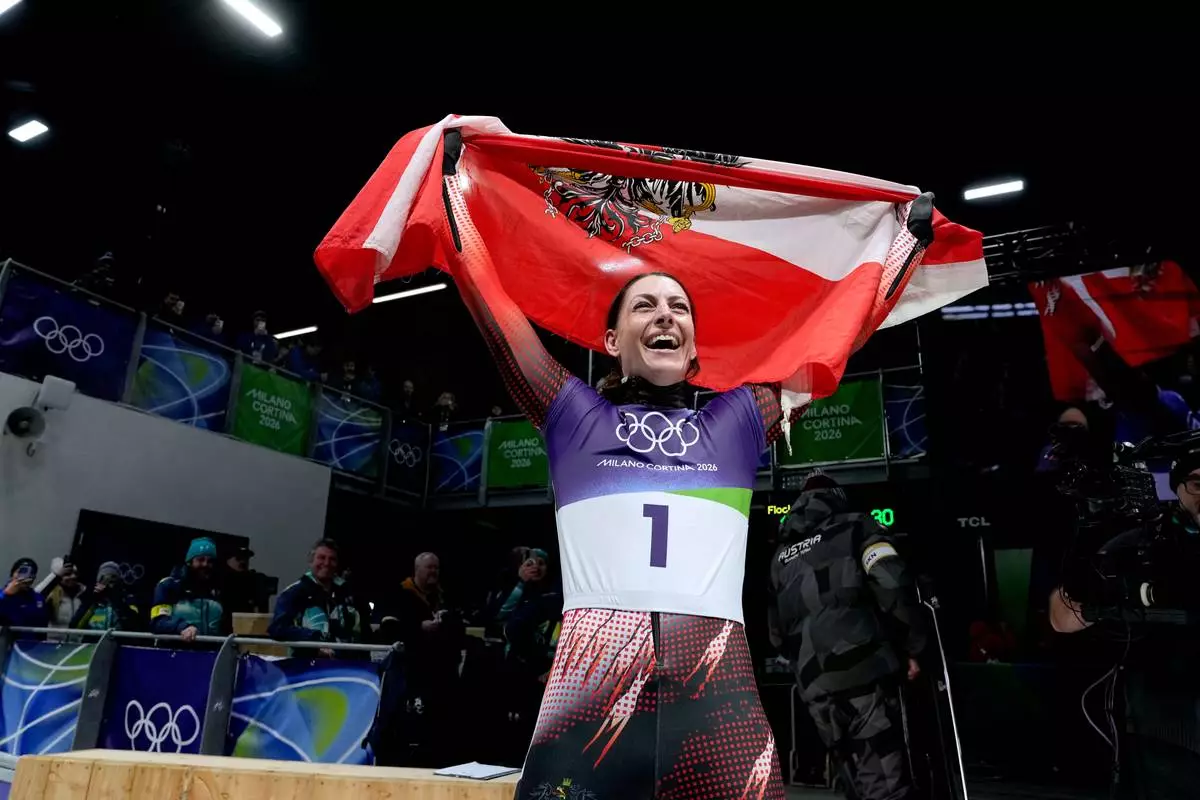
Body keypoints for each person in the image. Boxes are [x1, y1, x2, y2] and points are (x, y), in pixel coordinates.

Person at [449, 179, 795, 798]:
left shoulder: (738, 420)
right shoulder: (574, 416)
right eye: (644, 305)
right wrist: (454, 192)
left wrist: (900, 245)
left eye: (679, 307)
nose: (665, 314)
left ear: (693, 348)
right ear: (611, 342)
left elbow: (830, 340)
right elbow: (495, 315)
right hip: (592, 700)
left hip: (718, 704)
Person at [1049, 449, 1200, 798]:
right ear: (1177, 488)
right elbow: (1061, 616)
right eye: (1197, 483)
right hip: (1161, 733)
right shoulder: (1140, 544)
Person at [768, 471, 927, 800]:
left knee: (852, 779)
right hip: (863, 671)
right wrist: (912, 645)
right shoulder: (858, 526)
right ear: (837, 497)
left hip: (814, 686)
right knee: (885, 781)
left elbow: (776, 634)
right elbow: (891, 581)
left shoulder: (781, 558)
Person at [381, 552, 464, 765]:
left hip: (444, 674)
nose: (434, 572)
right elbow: (389, 629)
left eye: (436, 568)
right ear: (417, 570)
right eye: (429, 568)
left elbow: (459, 628)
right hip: (412, 674)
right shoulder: (400, 594)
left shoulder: (444, 597)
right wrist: (419, 627)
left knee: (440, 729)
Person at [497, 549, 563, 754]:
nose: (536, 567)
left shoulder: (557, 595)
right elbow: (500, 615)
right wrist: (520, 583)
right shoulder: (515, 590)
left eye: (541, 563)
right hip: (517, 665)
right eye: (530, 563)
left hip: (548, 669)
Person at [269, 539, 369, 657]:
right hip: (305, 666)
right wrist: (314, 639)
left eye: (332, 559)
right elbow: (277, 629)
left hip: (347, 667)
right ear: (311, 562)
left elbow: (364, 630)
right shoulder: (293, 593)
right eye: (321, 558)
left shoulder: (349, 593)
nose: (327, 563)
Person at [150, 537, 227, 640]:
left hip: (210, 653)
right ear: (189, 562)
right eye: (200, 560)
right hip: (172, 651)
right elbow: (158, 621)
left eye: (210, 561)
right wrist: (182, 627)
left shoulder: (217, 590)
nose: (205, 564)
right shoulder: (168, 585)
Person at [70, 562, 141, 631]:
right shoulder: (91, 600)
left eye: (112, 580)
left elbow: (135, 625)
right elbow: (75, 626)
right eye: (104, 580)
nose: (108, 584)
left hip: (118, 641)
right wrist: (92, 600)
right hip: (94, 641)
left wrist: (115, 598)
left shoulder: (127, 599)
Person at [0, 558, 49, 628]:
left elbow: (42, 624)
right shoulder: (2, 594)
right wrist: (6, 595)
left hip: (31, 638)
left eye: (31, 572)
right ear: (12, 574)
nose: (25, 576)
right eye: (21, 571)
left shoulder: (38, 599)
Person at [43, 560, 85, 636]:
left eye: (75, 573)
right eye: (67, 574)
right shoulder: (51, 595)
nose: (73, 576)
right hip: (54, 644)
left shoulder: (84, 593)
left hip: (77, 645)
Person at [221, 546, 260, 615]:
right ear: (228, 560)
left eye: (246, 558)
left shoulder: (251, 580)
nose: (243, 561)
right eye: (238, 558)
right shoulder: (221, 579)